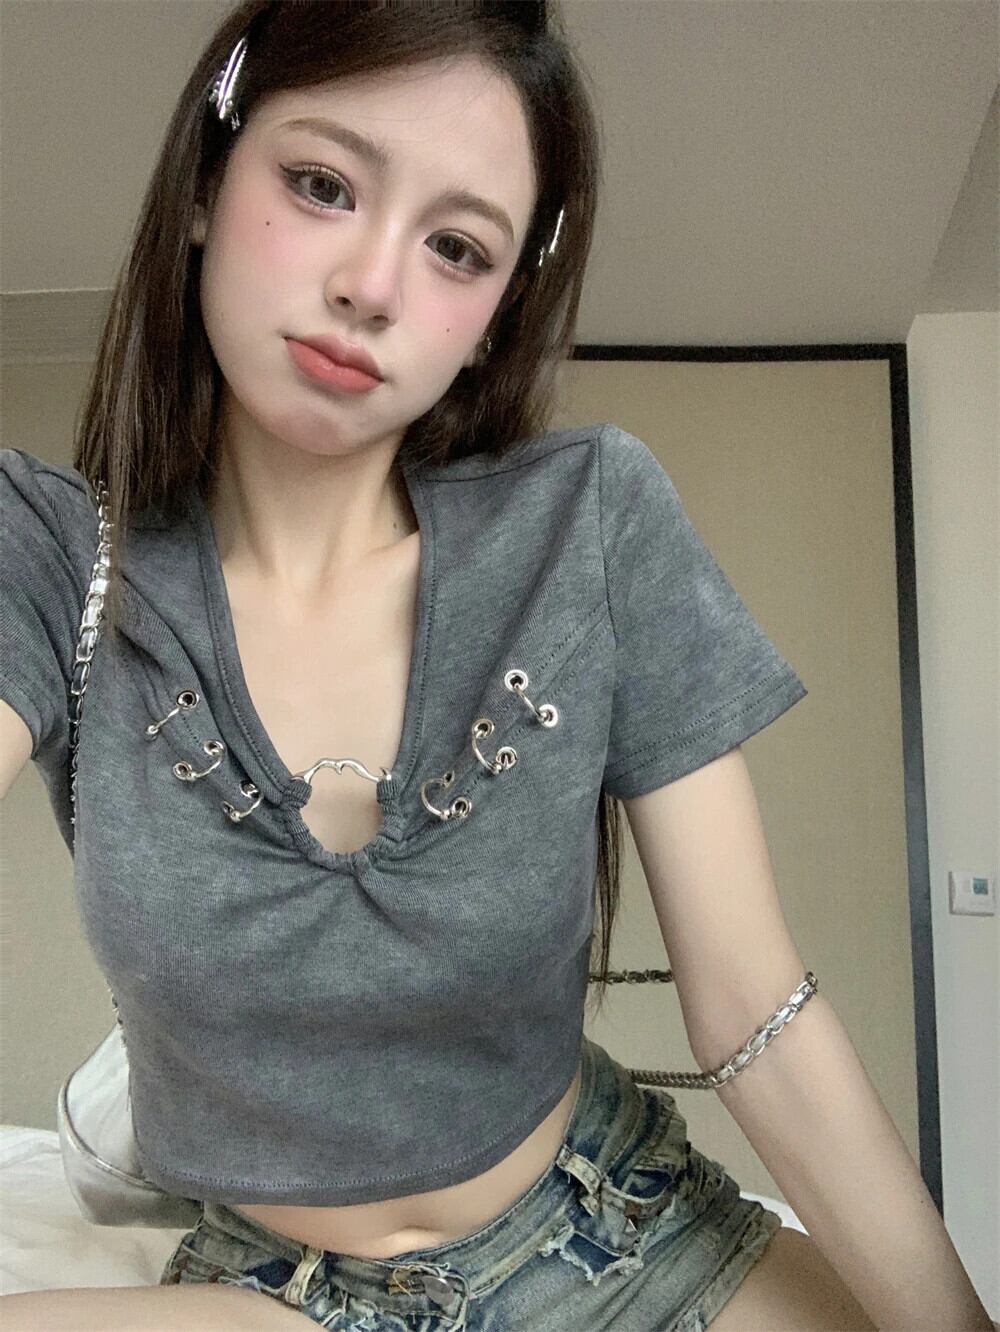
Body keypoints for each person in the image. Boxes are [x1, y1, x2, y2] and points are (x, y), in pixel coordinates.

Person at [1, 3, 993, 1329]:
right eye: (322, 184)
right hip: (275, 1296)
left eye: (456, 247)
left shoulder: (587, 522)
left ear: (491, 317)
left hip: (615, 1233)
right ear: (205, 184)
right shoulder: (52, 557)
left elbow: (756, 1007)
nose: (371, 285)